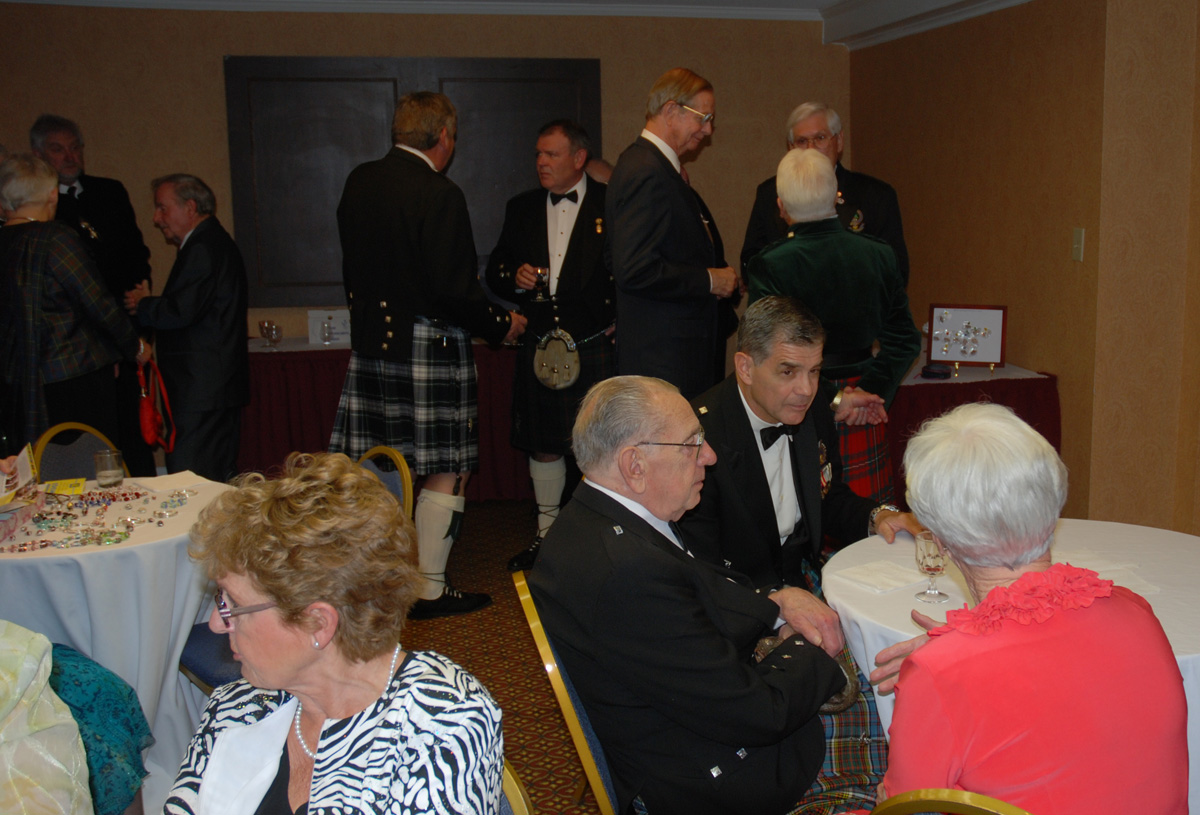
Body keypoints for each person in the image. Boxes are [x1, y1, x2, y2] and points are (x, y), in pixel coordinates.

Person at [530, 375, 858, 815]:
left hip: (690, 726)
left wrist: (775, 601)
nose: (710, 455)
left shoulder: (597, 518)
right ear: (634, 465)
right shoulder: (628, 572)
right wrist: (814, 648)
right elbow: (760, 714)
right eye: (691, 444)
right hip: (719, 780)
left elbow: (694, 586)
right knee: (898, 717)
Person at [877, 403, 1187, 813]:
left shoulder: (941, 674)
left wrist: (948, 666)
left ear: (940, 539)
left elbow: (905, 808)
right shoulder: (1135, 611)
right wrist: (957, 657)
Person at [165, 452, 504, 815]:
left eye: (233, 604)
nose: (216, 624)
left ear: (318, 624)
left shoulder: (440, 729)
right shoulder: (239, 705)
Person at [331, 91, 526, 619]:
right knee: (446, 464)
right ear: (443, 136)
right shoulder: (440, 192)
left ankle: (372, 582)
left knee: (377, 465)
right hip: (430, 344)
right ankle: (429, 589)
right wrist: (501, 323)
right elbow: (452, 290)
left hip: (372, 342)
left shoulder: (359, 181)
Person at [681, 297, 920, 596]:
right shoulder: (698, 437)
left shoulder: (813, 409)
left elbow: (827, 500)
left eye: (814, 371)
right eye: (788, 372)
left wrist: (878, 516)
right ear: (745, 368)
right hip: (739, 594)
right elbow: (699, 563)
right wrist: (772, 603)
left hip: (802, 574)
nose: (806, 390)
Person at [748, 149, 919, 503]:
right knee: (866, 517)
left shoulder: (771, 264)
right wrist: (869, 394)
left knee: (800, 513)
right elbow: (904, 340)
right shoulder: (878, 254)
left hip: (797, 398)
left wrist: (838, 399)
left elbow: (764, 350)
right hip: (863, 404)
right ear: (837, 197)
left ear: (781, 206)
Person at [485, 119, 615, 572]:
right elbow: (495, 271)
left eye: (551, 154)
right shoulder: (521, 207)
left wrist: (623, 318)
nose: (541, 162)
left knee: (596, 443)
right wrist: (515, 277)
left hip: (593, 341)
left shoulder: (609, 203)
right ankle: (545, 536)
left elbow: (630, 269)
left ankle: (596, 540)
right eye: (538, 154)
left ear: (579, 158)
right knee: (543, 443)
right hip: (541, 344)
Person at [31, 114, 156, 476]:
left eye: (75, 148)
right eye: (59, 149)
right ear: (40, 155)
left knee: (130, 428)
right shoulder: (41, 213)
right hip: (77, 347)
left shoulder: (109, 192)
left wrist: (140, 294)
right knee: (88, 439)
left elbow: (136, 253)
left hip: (121, 326)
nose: (70, 156)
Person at [606, 68, 739, 400]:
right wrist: (709, 280)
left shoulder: (652, 166)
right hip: (664, 364)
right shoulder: (647, 172)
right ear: (670, 110)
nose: (708, 130)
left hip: (671, 358)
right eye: (703, 118)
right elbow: (634, 269)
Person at [0, 154, 149, 450]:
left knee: (34, 463)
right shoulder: (55, 238)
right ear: (52, 194)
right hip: (72, 375)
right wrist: (136, 347)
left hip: (15, 380)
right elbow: (98, 304)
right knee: (86, 465)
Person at [124, 174, 248, 483]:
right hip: (212, 387)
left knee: (190, 479)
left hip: (201, 390)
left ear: (190, 207)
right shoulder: (211, 242)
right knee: (214, 476)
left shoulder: (203, 247)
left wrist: (143, 303)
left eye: (162, 208)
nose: (156, 219)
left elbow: (181, 311)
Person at [741, 102, 909, 286]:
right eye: (802, 141)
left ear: (839, 141)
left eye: (820, 138)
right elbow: (751, 266)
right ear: (790, 148)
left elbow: (896, 272)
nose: (811, 149)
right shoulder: (770, 193)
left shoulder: (875, 195)